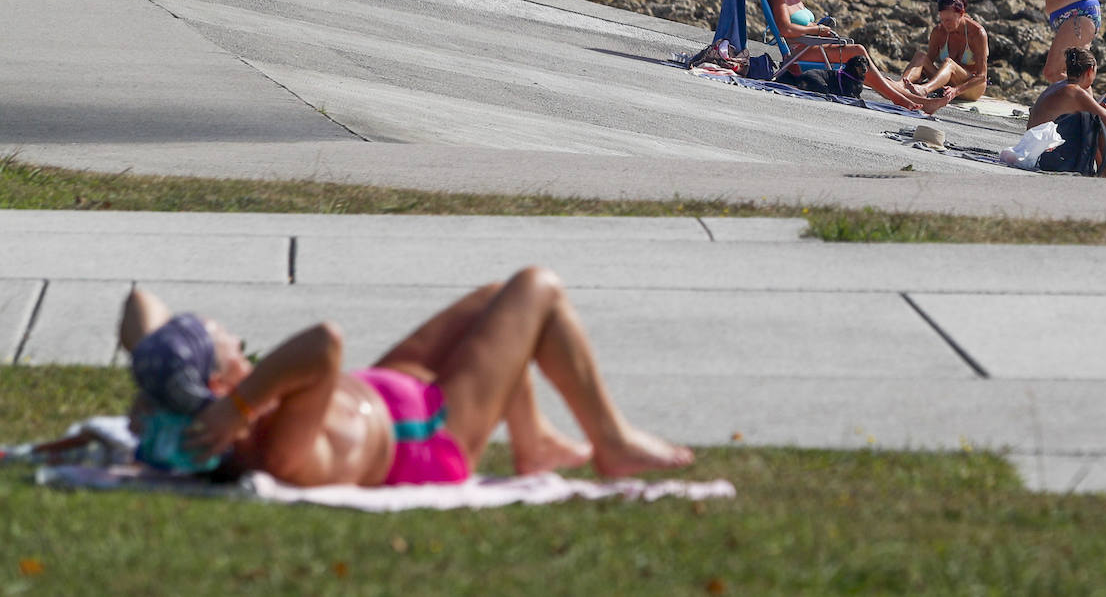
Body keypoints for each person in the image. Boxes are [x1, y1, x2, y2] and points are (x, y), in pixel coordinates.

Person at [119, 266, 694, 486]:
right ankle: (612, 444)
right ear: (223, 384)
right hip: (428, 440)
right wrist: (235, 406)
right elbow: (325, 342)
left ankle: (534, 441)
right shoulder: (276, 448)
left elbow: (140, 301)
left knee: (496, 300)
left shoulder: (203, 399)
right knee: (536, 290)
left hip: (388, 389)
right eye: (233, 348)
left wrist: (166, 382)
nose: (244, 349)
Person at [755, 0, 954, 113]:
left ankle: (912, 99)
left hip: (813, 47)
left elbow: (797, 26)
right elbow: (785, 29)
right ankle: (901, 99)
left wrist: (819, 27)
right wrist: (816, 30)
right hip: (799, 54)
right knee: (858, 52)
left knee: (869, 72)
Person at [1026, 46, 1106, 177]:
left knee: (1098, 114)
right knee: (1102, 118)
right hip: (1048, 158)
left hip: (1036, 151)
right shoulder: (1074, 92)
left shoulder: (1062, 85)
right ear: (1090, 71)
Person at [900, 0, 988, 102]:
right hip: (946, 85)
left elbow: (982, 76)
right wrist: (917, 79)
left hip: (972, 88)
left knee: (949, 63)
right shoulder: (939, 32)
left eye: (949, 20)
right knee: (920, 57)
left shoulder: (977, 33)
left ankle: (924, 89)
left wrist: (956, 90)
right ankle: (901, 85)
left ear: (961, 14)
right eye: (942, 20)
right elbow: (927, 63)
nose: (945, 24)